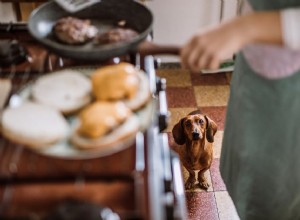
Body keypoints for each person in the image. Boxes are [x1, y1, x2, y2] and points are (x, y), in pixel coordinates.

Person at [180, 0, 300, 219]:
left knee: (277, 195)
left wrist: (245, 28)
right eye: (190, 125)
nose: (196, 129)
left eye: (200, 124)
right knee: (243, 167)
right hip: (252, 72)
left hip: (291, 98)